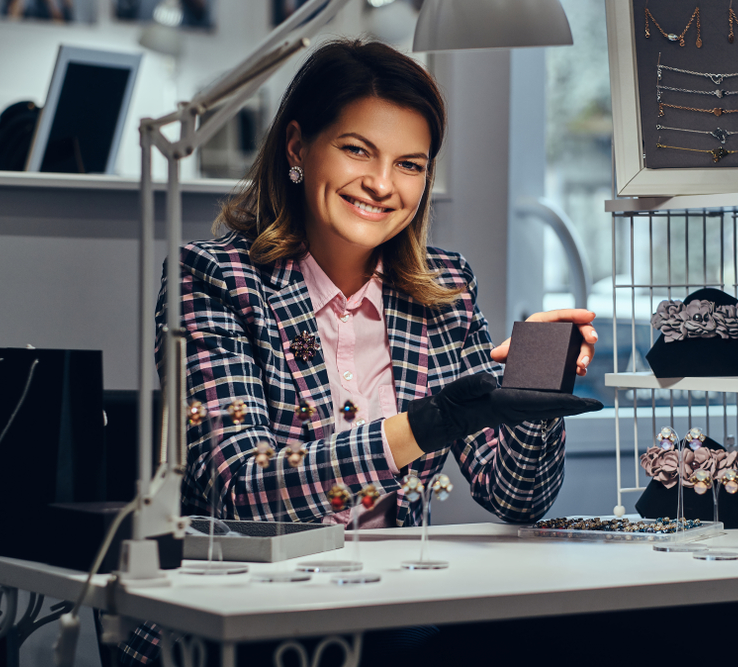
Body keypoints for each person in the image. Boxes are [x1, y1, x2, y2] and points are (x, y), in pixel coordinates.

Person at [119, 38, 602, 666]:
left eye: (410, 163)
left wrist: (529, 394)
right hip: (242, 625)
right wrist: (425, 427)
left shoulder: (444, 290)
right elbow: (239, 489)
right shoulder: (212, 279)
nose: (381, 185)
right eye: (356, 150)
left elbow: (517, 497)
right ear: (297, 147)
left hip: (386, 615)